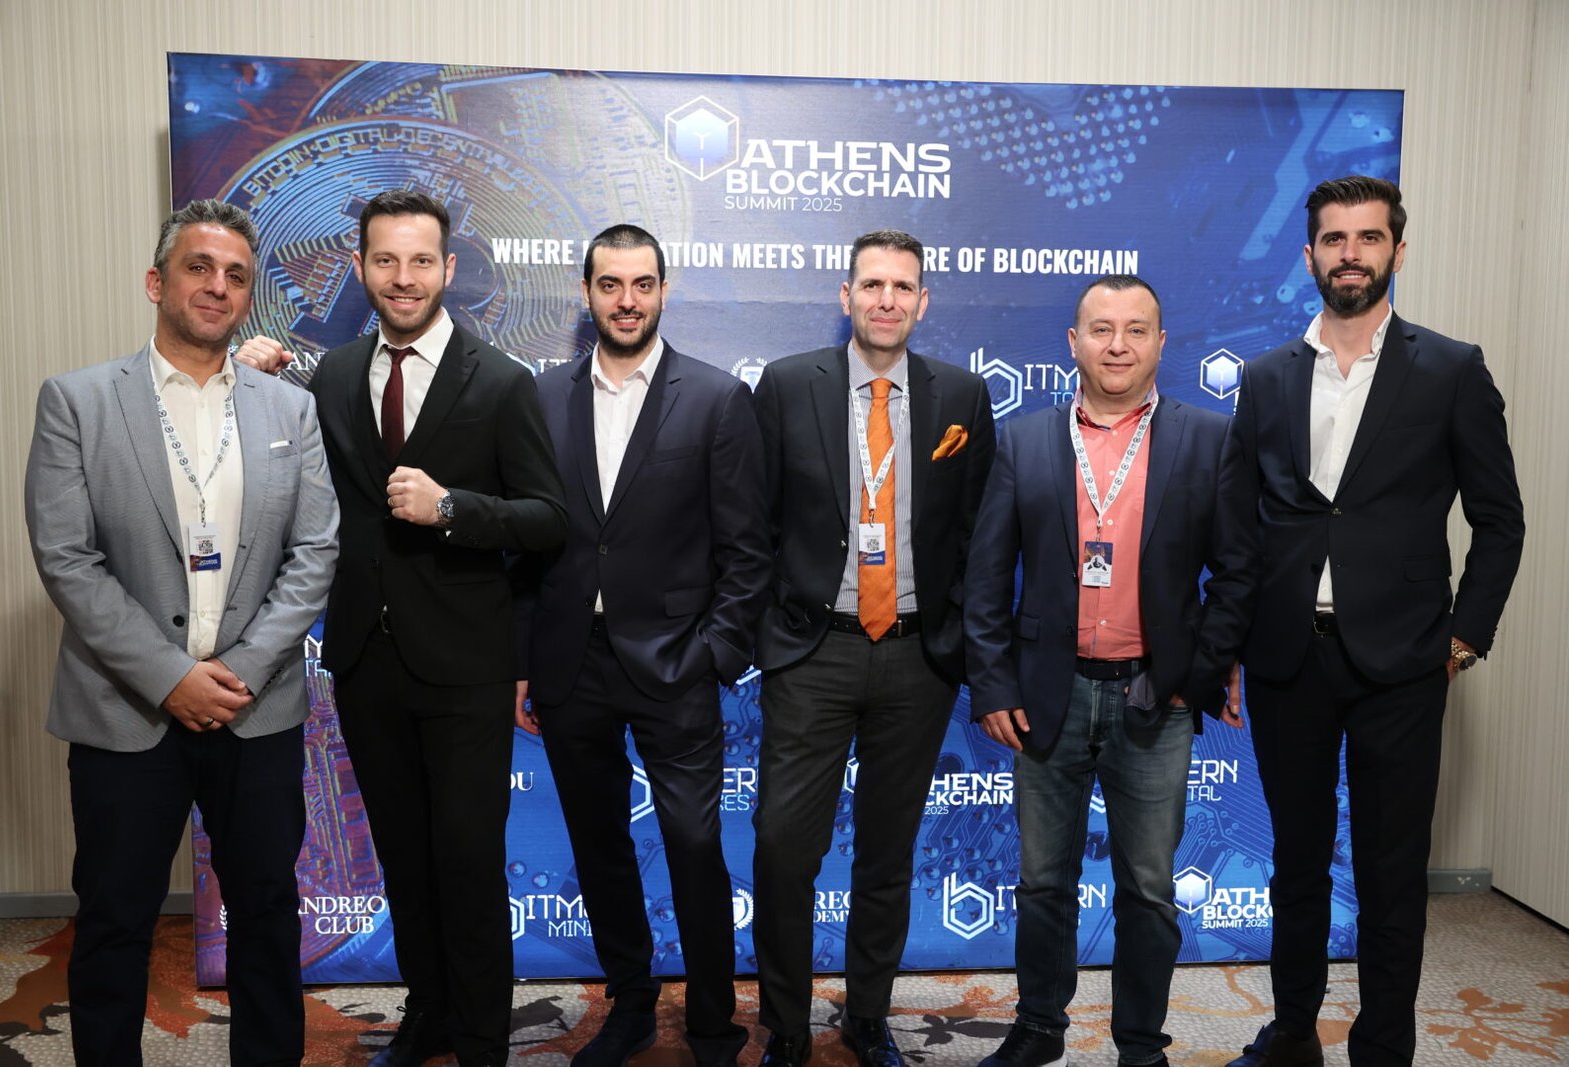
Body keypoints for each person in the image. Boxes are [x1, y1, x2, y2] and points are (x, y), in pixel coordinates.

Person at [24, 199, 338, 1066]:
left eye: (236, 274)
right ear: (156, 282)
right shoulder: (78, 401)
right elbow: (67, 558)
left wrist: (242, 668)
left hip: (255, 709)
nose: (217, 286)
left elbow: (316, 550)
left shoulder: (290, 411)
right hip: (124, 710)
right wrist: (170, 676)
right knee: (115, 919)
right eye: (199, 267)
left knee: (267, 915)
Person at [1224, 176, 1524, 1067]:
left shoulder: (1452, 369)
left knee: (1391, 871)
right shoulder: (1265, 377)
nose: (1349, 253)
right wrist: (1230, 648)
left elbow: (1500, 519)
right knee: (1296, 863)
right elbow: (1240, 526)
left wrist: (1464, 636)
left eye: (1367, 237)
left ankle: (1383, 1046)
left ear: (1397, 249)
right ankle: (1292, 1034)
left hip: (1405, 662)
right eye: (1333, 239)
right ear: (1309, 254)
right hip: (1288, 660)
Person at [962, 275, 1255, 1067]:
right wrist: (993, 684)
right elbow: (984, 579)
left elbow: (1238, 572)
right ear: (1073, 342)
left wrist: (1199, 672)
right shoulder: (1024, 441)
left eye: (1135, 329)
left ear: (1161, 343)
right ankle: (1038, 1028)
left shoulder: (1208, 438)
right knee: (1042, 882)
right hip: (1046, 696)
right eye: (1100, 329)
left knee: (1149, 888)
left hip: (1155, 694)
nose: (1117, 345)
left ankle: (1140, 1045)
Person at [304, 190, 567, 1067]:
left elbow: (547, 517)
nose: (404, 277)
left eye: (421, 261)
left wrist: (452, 507)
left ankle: (483, 1035)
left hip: (466, 665)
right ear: (360, 268)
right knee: (404, 858)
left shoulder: (500, 380)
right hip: (364, 657)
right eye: (386, 260)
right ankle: (429, 1011)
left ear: (449, 269)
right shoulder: (336, 374)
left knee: (466, 858)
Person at [514, 224, 771, 1067]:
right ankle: (629, 1005)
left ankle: (712, 1020)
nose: (627, 300)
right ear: (586, 292)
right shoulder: (542, 398)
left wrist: (715, 654)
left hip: (678, 664)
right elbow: (528, 545)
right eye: (611, 284)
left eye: (643, 284)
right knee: (599, 848)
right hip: (570, 664)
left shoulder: (715, 398)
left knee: (695, 846)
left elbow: (747, 551)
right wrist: (525, 660)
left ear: (664, 290)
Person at [751, 230, 995, 1067]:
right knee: (784, 846)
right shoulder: (789, 384)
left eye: (903, 286)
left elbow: (978, 533)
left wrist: (962, 639)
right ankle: (786, 1024)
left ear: (923, 301)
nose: (887, 299)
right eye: (872, 284)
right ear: (845, 295)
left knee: (888, 852)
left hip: (918, 657)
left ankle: (867, 1013)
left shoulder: (962, 395)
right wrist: (767, 629)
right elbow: (753, 518)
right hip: (813, 650)